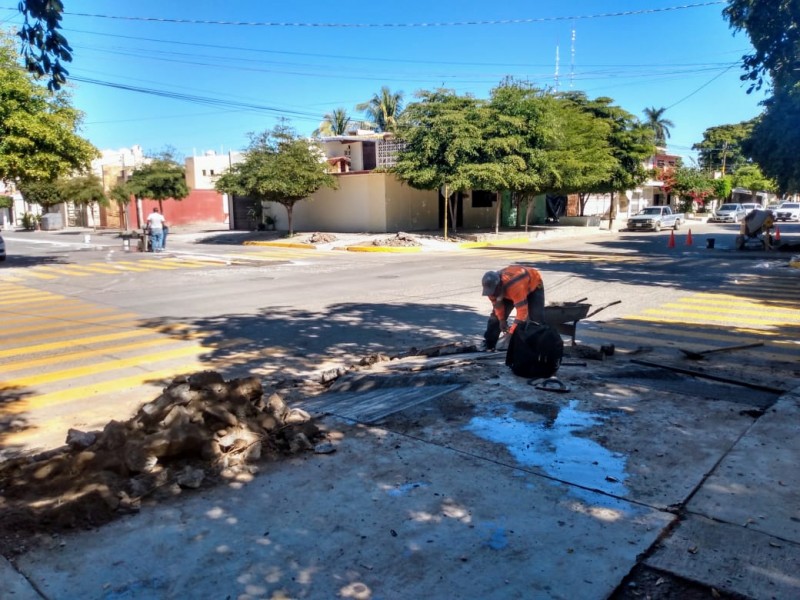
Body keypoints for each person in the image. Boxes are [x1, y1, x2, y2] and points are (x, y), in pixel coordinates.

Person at [481, 265, 545, 351]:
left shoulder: (515, 285)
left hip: (533, 284)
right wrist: (501, 320)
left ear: (500, 285)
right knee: (494, 319)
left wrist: (511, 333)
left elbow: (522, 312)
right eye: (491, 292)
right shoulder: (490, 289)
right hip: (509, 290)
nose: (493, 294)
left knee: (536, 320)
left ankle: (537, 348)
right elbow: (497, 306)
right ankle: (489, 344)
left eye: (495, 292)